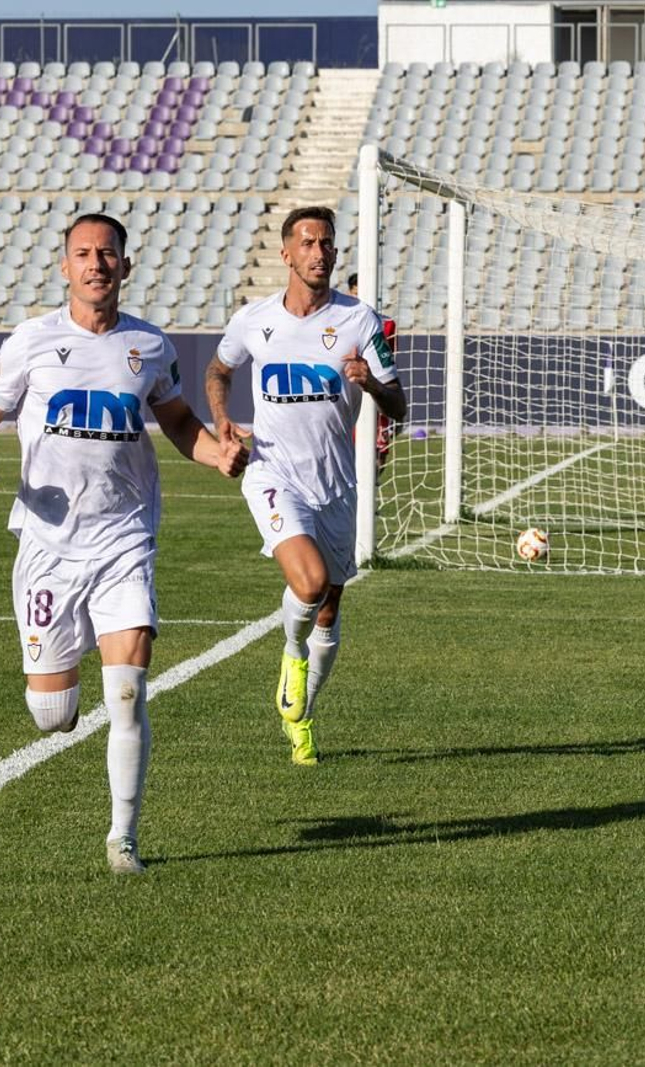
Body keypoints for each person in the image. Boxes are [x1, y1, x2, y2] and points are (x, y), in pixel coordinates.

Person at [0, 213, 247, 874]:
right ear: (65, 267)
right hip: (48, 545)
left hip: (124, 536)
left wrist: (217, 454)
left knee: (128, 683)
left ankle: (123, 837)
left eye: (108, 254)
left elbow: (177, 420)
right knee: (52, 714)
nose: (96, 265)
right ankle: (61, 673)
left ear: (125, 264)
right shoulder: (32, 340)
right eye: (83, 254)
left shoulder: (148, 345)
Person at [205, 205, 406, 766]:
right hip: (272, 473)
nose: (320, 253)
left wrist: (370, 385)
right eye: (309, 243)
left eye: (328, 244)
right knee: (311, 581)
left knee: (329, 606)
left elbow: (400, 402)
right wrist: (222, 417)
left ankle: (303, 717)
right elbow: (219, 370)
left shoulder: (360, 321)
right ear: (287, 254)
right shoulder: (254, 320)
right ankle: (290, 655)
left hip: (336, 482)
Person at [344, 270, 399, 470]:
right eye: (357, 292)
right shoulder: (337, 322)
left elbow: (389, 363)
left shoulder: (387, 324)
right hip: (346, 393)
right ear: (351, 292)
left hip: (374, 393)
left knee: (378, 458)